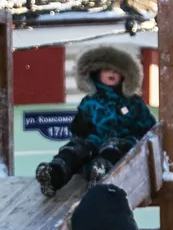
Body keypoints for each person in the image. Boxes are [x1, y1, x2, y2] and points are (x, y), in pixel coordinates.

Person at [36, 47, 157, 198]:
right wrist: (81, 138)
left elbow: (148, 127)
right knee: (76, 148)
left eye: (117, 71)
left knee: (114, 146)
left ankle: (101, 170)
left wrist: (139, 140)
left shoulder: (133, 102)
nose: (112, 73)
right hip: (93, 144)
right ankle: (54, 174)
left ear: (124, 75)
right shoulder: (89, 102)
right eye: (107, 70)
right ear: (97, 73)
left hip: (122, 145)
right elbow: (79, 129)